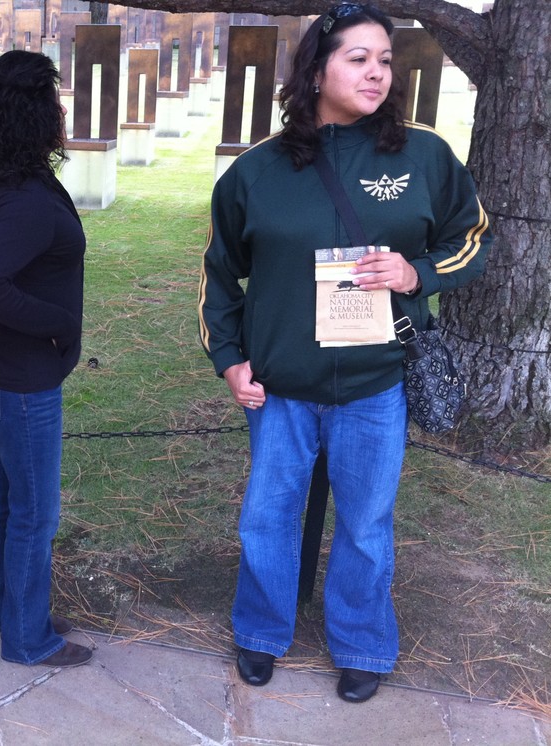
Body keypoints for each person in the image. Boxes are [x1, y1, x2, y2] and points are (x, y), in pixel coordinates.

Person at [198, 3, 490, 703]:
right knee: (268, 518)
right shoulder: (256, 172)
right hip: (280, 386)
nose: (376, 72)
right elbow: (219, 275)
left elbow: (471, 235)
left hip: (374, 383)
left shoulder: (421, 155)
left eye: (384, 60)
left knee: (365, 525)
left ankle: (361, 643)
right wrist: (230, 359)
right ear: (316, 70)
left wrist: (418, 273)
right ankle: (261, 631)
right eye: (358, 58)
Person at [0, 51, 92, 668]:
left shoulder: (16, 183)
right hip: (20, 379)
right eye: (53, 104)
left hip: (4, 372)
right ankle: (28, 639)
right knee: (34, 513)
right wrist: (60, 325)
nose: (62, 113)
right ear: (31, 116)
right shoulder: (26, 200)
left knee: (10, 500)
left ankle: (11, 612)